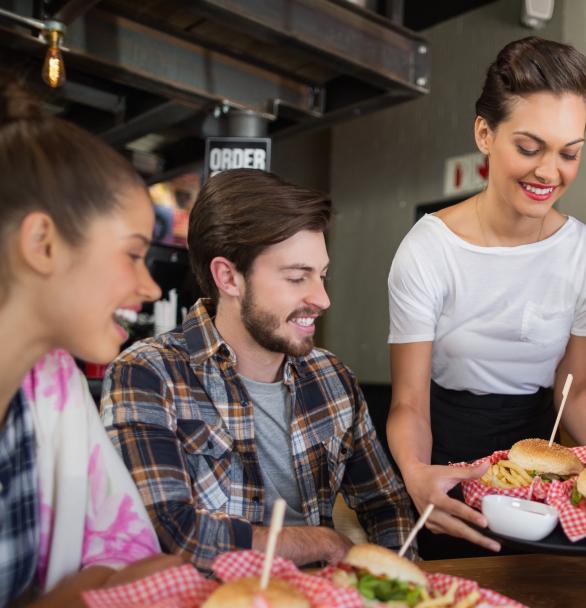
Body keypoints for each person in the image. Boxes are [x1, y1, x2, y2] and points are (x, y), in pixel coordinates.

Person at [387, 37, 586, 559]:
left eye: (569, 153)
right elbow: (409, 403)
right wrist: (417, 474)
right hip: (448, 453)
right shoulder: (428, 248)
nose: (549, 173)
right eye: (529, 148)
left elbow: (572, 393)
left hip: (544, 464)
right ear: (484, 132)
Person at [103, 170, 417, 571]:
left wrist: (396, 588)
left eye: (321, 275)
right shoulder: (147, 374)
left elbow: (384, 503)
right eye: (296, 277)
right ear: (228, 277)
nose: (322, 299)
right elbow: (173, 533)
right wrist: (320, 541)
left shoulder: (332, 377)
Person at [0, 82, 179, 608]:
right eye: (134, 253)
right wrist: (90, 606)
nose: (152, 287)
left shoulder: (45, 389)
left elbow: (121, 566)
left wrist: (101, 590)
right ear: (43, 242)